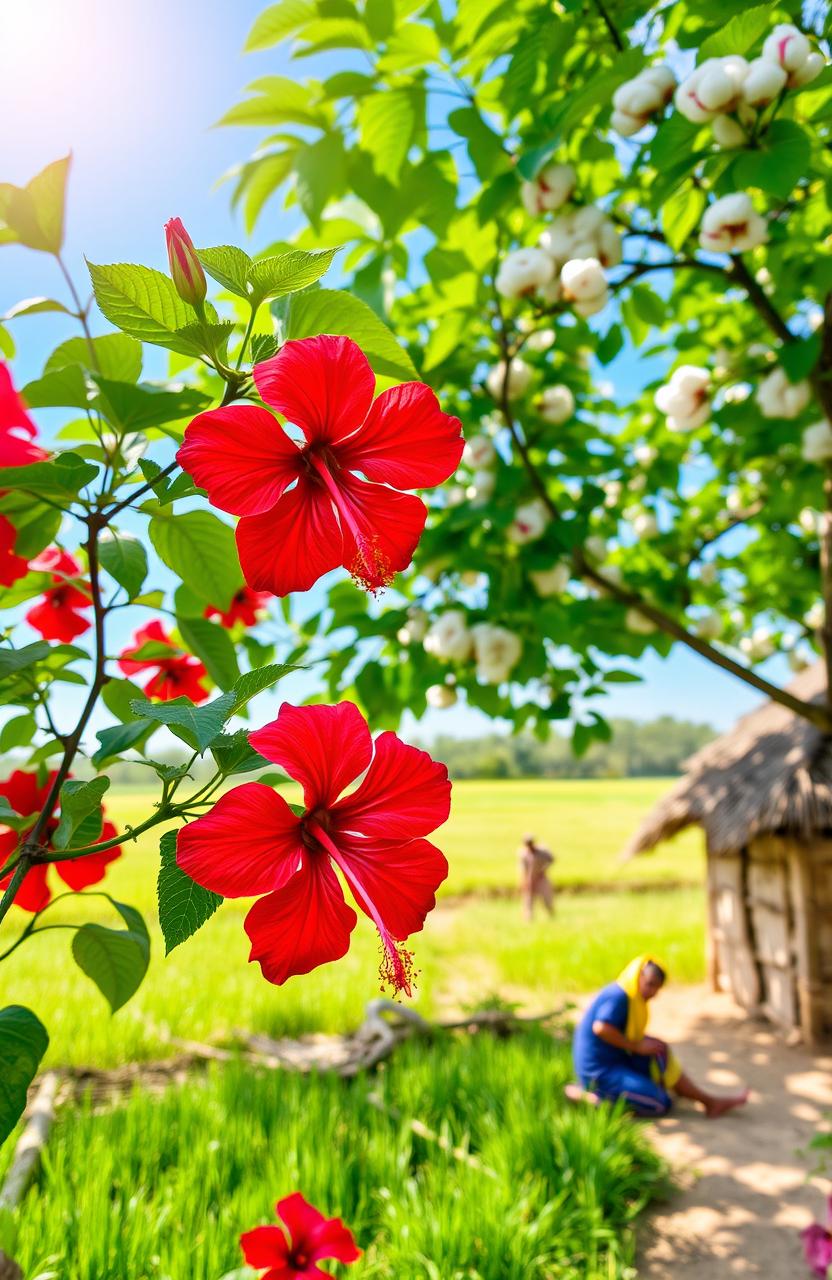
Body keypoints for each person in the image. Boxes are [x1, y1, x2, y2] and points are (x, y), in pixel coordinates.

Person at [569, 954, 750, 1118]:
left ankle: (706, 1100)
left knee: (659, 1050)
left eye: (657, 988)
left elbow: (625, 1031)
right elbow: (601, 1028)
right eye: (650, 985)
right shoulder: (619, 996)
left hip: (617, 1059)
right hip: (600, 1072)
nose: (653, 992)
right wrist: (637, 1046)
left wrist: (644, 1044)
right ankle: (591, 1098)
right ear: (638, 976)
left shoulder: (633, 998)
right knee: (659, 1104)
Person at [518, 833, 555, 920]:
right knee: (528, 901)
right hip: (530, 879)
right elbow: (523, 870)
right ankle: (528, 920)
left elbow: (551, 860)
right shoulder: (523, 854)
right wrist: (524, 881)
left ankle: (551, 916)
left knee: (547, 900)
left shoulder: (542, 851)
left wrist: (543, 869)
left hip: (541, 878)